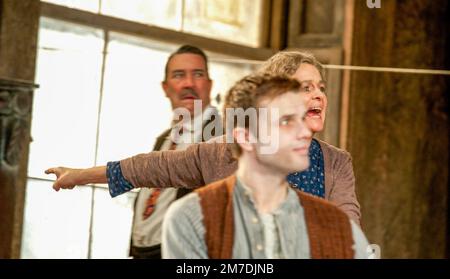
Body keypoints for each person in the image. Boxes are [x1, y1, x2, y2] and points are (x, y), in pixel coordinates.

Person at [46, 50, 361, 225]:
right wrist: (79, 176)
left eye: (321, 87)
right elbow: (149, 168)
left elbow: (348, 233)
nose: (318, 94)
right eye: (305, 87)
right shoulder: (221, 153)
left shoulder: (336, 163)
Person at [162, 73, 369, 259]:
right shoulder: (191, 218)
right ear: (245, 136)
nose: (305, 132)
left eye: (302, 119)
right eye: (287, 121)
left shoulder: (338, 226)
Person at [126, 45, 221, 259]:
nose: (189, 83)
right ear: (165, 87)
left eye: (198, 74)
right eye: (179, 75)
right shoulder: (164, 139)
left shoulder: (222, 136)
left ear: (209, 84)